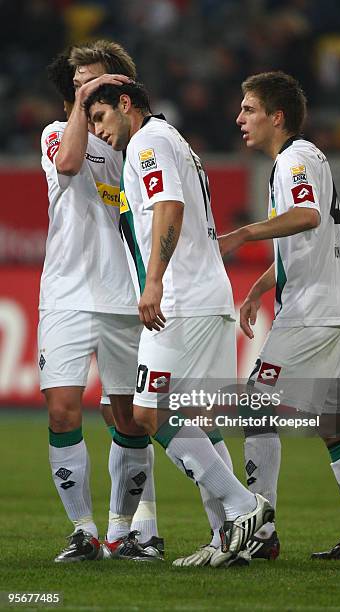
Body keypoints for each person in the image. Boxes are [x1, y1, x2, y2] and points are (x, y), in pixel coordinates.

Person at [84, 80, 274, 567]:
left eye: (101, 117)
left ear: (126, 105)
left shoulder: (147, 142)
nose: (98, 131)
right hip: (206, 295)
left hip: (180, 300)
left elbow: (169, 207)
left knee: (149, 415)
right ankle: (228, 538)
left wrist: (153, 283)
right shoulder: (174, 141)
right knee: (202, 426)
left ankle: (244, 507)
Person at [219, 71, 340, 560]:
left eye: (249, 109)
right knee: (335, 426)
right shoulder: (310, 155)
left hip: (310, 313)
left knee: (254, 403)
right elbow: (307, 244)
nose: (240, 118)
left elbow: (308, 216)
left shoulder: (292, 159)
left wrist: (243, 234)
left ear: (277, 117)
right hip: (333, 308)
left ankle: (260, 529)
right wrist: (257, 287)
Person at [40, 45, 161, 563]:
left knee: (129, 419)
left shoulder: (137, 145)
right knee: (64, 410)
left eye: (96, 84)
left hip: (121, 296)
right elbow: (68, 163)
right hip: (65, 293)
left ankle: (121, 532)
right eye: (78, 84)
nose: (86, 92)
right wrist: (80, 104)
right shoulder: (56, 134)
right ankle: (83, 532)